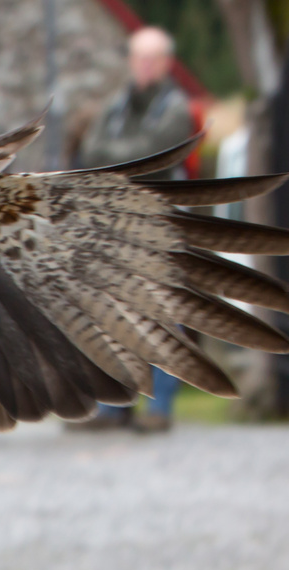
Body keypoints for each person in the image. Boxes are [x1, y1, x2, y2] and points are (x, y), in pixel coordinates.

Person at [73, 26, 197, 433]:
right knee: (112, 312)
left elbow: (157, 154)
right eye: (139, 57)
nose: (144, 66)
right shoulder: (116, 107)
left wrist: (120, 156)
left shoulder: (176, 108)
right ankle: (114, 405)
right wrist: (127, 155)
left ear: (166, 63)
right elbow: (92, 152)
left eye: (152, 58)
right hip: (116, 220)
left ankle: (159, 407)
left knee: (161, 313)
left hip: (160, 222)